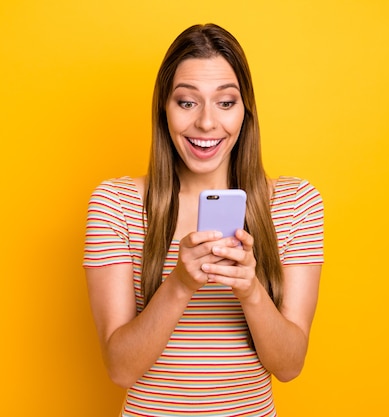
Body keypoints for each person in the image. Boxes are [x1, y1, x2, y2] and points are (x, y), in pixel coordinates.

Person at [83, 23, 324, 417]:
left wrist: (250, 291)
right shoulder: (116, 203)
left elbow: (289, 365)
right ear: (164, 108)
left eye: (226, 103)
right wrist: (179, 284)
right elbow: (120, 368)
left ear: (246, 111)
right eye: (187, 102)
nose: (207, 124)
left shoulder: (296, 202)